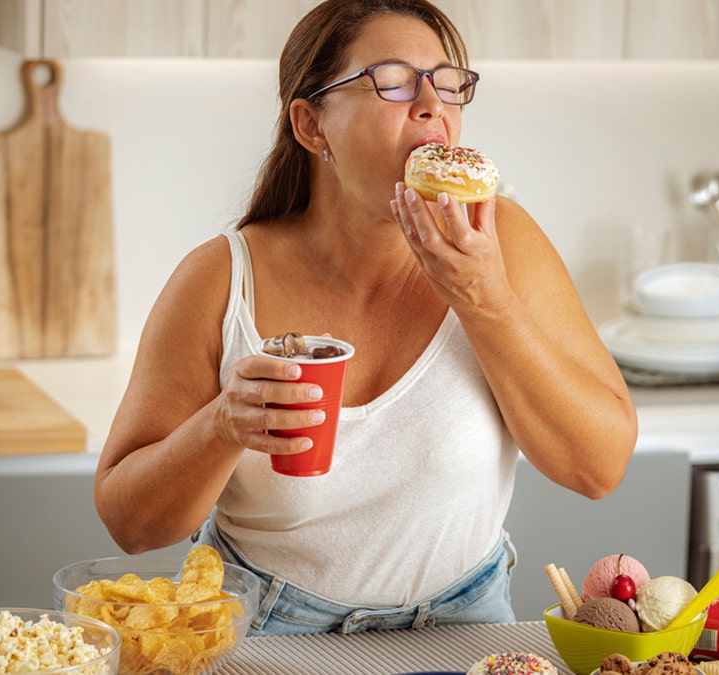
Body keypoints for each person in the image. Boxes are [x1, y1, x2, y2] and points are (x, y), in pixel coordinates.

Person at [94, 0, 637, 636]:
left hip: (467, 628)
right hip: (266, 629)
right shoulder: (222, 278)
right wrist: (222, 425)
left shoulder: (501, 243)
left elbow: (598, 469)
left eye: (447, 81)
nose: (432, 104)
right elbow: (131, 526)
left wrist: (485, 299)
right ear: (311, 125)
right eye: (395, 81)